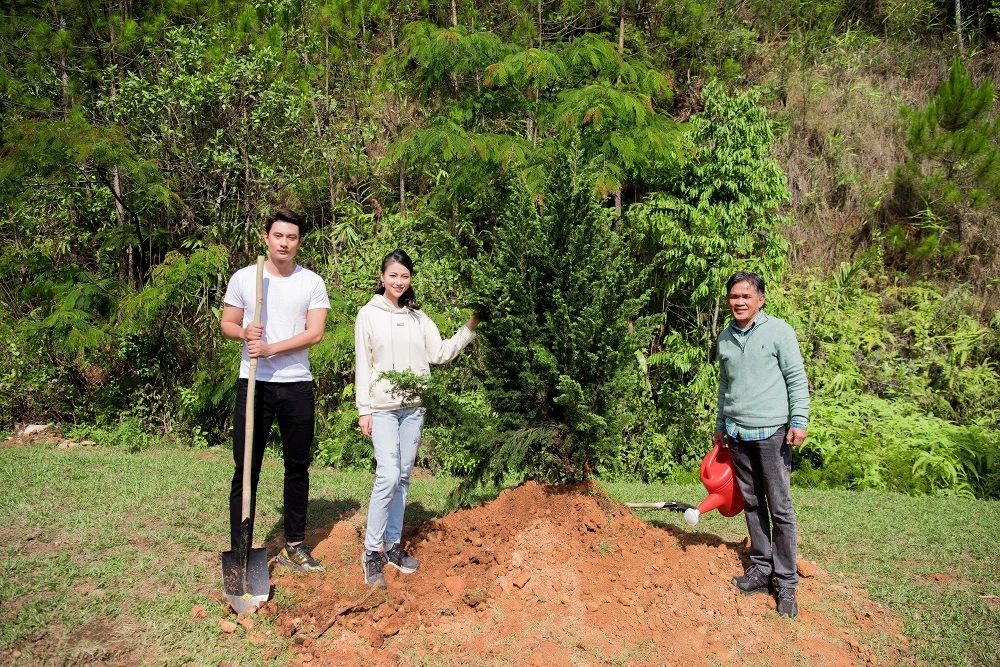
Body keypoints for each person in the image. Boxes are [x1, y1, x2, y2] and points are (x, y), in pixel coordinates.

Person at [354, 249, 479, 588]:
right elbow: (363, 363)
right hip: (382, 410)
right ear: (382, 277)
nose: (398, 281)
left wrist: (471, 326)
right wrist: (363, 408)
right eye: (393, 275)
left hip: (413, 409)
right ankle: (371, 553)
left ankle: (393, 547)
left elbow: (439, 353)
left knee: (404, 477)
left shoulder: (417, 317)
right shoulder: (368, 314)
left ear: (410, 279)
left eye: (404, 276)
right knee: (389, 475)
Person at [220, 208, 331, 573]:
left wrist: (271, 348)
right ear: (266, 237)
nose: (284, 243)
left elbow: (314, 333)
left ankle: (294, 545)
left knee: (297, 466)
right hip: (253, 384)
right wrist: (244, 333)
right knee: (245, 467)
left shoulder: (311, 282)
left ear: (299, 242)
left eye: (292, 237)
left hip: (296, 384)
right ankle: (240, 549)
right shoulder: (245, 278)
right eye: (278, 235)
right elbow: (228, 323)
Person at [713, 271, 809, 618]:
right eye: (733, 297)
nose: (739, 302)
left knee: (780, 508)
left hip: (772, 434)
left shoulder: (779, 331)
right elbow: (725, 386)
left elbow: (796, 378)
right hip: (738, 435)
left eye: (745, 296)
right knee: (752, 504)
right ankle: (761, 569)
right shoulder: (724, 338)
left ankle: (786, 582)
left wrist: (799, 420)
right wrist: (721, 425)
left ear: (760, 300)